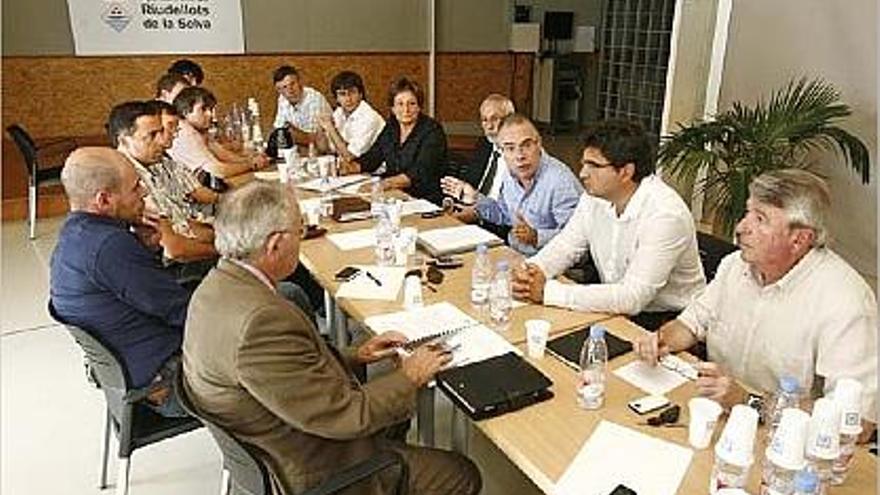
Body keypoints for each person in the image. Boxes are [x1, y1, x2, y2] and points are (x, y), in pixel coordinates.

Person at [182, 181, 482, 494]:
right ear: (274, 245)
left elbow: (288, 372)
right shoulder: (259, 322)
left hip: (278, 430)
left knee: (393, 411)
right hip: (313, 467)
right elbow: (350, 416)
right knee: (460, 474)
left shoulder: (217, 286)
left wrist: (356, 354)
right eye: (300, 230)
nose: (303, 237)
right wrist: (410, 375)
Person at [634, 169, 877, 433]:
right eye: (748, 212)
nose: (740, 228)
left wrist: (750, 403)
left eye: (760, 219)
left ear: (799, 239)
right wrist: (661, 339)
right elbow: (691, 324)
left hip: (784, 441)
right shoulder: (735, 266)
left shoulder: (845, 302)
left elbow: (858, 424)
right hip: (715, 414)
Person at [511, 119, 705, 329]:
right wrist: (533, 271)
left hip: (667, 322)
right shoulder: (594, 196)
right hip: (611, 304)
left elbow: (633, 297)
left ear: (625, 172)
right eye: (583, 163)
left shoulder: (665, 215)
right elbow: (567, 245)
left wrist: (547, 292)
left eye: (593, 165)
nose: (583, 173)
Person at [49, 147, 190, 417]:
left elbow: (141, 293)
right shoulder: (109, 246)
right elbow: (180, 311)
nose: (144, 193)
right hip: (168, 382)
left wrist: (147, 250)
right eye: (136, 187)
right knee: (277, 310)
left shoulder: (75, 235)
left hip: (135, 370)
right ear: (103, 200)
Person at [440, 114, 581, 256]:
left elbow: (578, 237)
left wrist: (537, 237)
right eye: (510, 148)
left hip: (551, 261)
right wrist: (476, 197)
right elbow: (503, 214)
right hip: (514, 253)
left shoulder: (560, 181)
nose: (519, 156)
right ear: (502, 152)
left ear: (538, 144)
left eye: (526, 145)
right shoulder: (509, 173)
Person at [109, 100, 217, 263]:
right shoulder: (129, 181)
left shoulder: (152, 165)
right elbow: (174, 249)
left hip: (189, 247)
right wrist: (225, 252)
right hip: (172, 269)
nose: (161, 141)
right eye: (151, 135)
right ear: (124, 140)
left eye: (161, 132)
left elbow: (182, 223)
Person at [349, 77, 448, 205]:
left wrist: (383, 184)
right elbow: (373, 157)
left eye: (412, 104)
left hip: (423, 199)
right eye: (400, 104)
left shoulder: (432, 130)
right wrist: (350, 168)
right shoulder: (392, 126)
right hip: (394, 195)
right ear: (393, 108)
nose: (406, 110)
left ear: (419, 107)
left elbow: (419, 173)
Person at [169, 86, 268, 178]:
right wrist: (251, 164)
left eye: (211, 109)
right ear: (186, 112)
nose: (210, 114)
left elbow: (221, 153)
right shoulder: (185, 132)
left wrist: (250, 159)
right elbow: (216, 171)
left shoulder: (198, 129)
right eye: (203, 109)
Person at [317, 70, 385, 161]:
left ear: (361, 94)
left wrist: (330, 127)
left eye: (352, 92)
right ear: (337, 98)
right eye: (342, 94)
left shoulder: (369, 117)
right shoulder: (339, 112)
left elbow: (349, 156)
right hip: (353, 169)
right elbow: (324, 149)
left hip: (377, 172)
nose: (348, 99)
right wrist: (321, 128)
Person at [272, 64, 331, 146]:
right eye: (284, 87)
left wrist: (291, 132)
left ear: (300, 82)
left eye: (292, 84)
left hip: (324, 150)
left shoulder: (314, 99)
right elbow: (278, 131)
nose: (290, 90)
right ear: (279, 90)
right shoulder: (282, 99)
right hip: (299, 147)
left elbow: (315, 139)